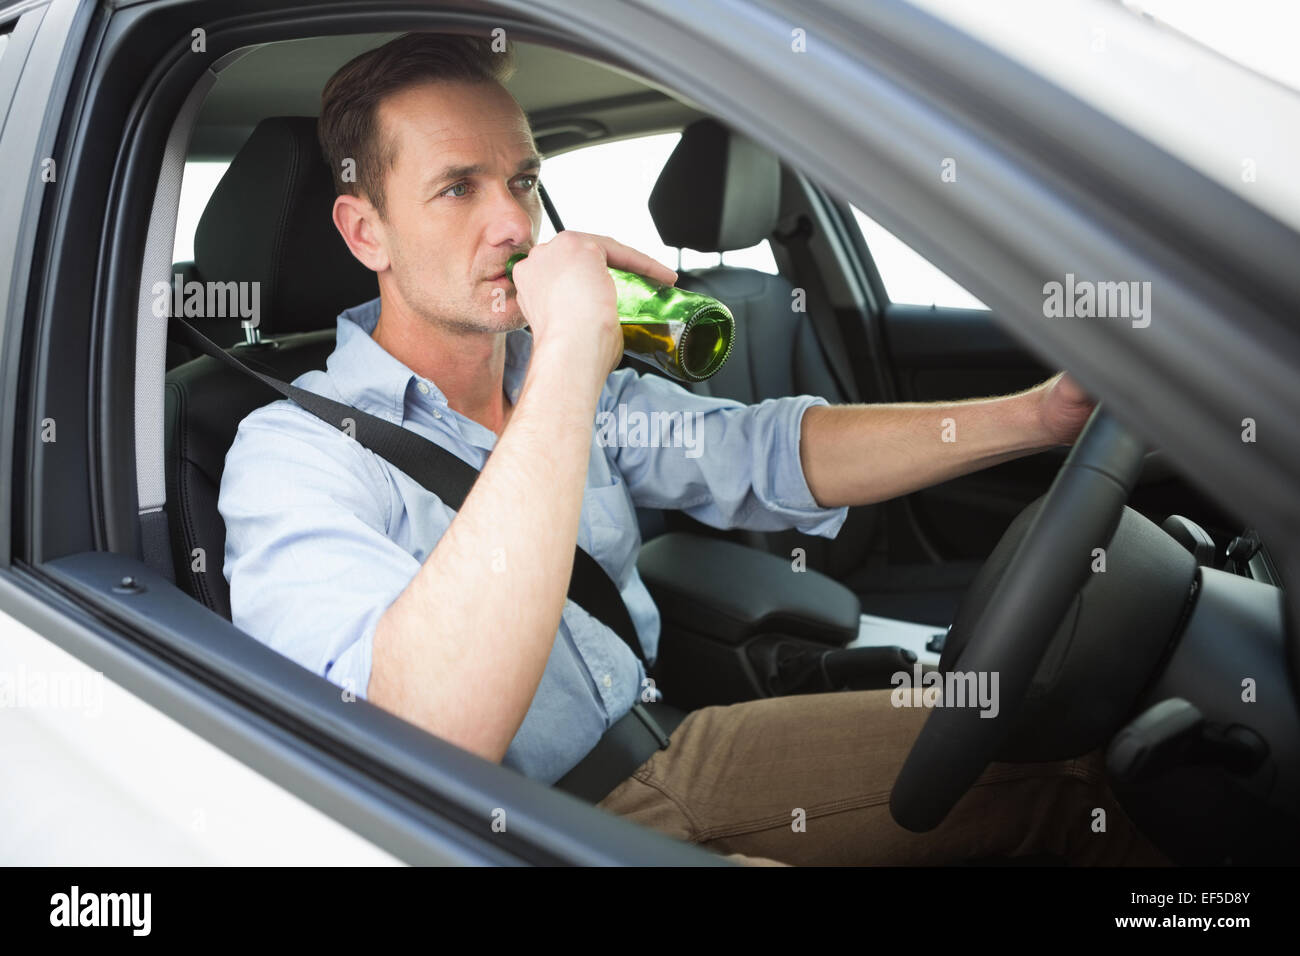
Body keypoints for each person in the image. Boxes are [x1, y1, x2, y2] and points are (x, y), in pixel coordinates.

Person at [218, 32, 1167, 866]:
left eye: (521, 181)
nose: (512, 224)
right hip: (506, 831)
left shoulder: (549, 380)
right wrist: (569, 363)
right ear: (364, 230)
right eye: (457, 188)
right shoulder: (296, 455)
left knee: (1072, 764)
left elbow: (766, 454)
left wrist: (1036, 418)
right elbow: (422, 736)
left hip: (665, 748)